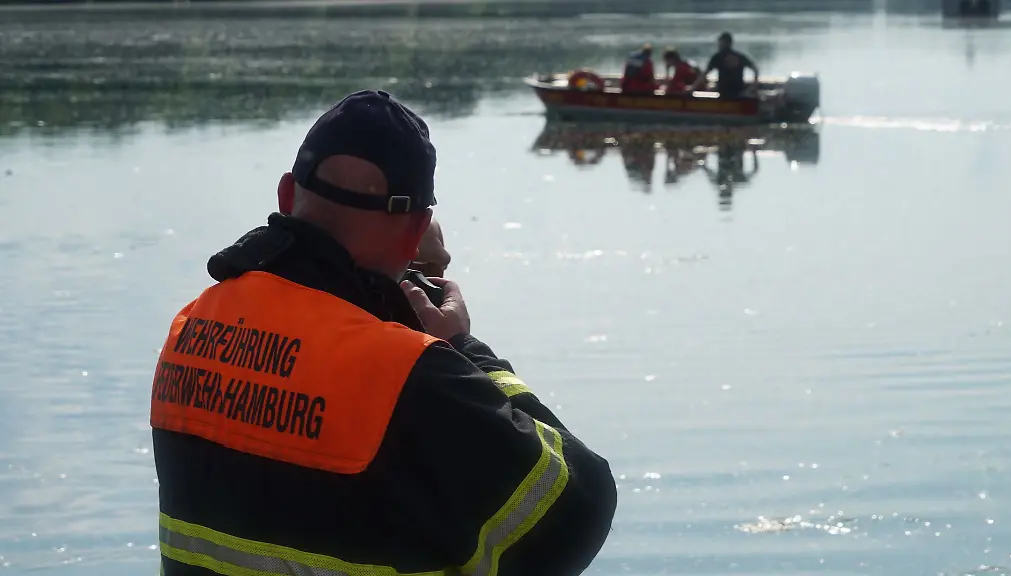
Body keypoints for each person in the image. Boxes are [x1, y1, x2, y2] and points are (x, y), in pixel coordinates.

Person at [149, 90, 618, 576]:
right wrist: (464, 349)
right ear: (417, 232)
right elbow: (578, 509)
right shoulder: (410, 374)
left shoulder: (191, 329)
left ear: (286, 195)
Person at [692, 32, 759, 99]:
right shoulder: (739, 56)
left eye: (720, 42)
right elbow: (755, 69)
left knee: (712, 88)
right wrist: (755, 83)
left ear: (724, 43)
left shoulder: (717, 57)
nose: (718, 45)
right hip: (738, 90)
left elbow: (704, 74)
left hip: (724, 92)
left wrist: (692, 88)